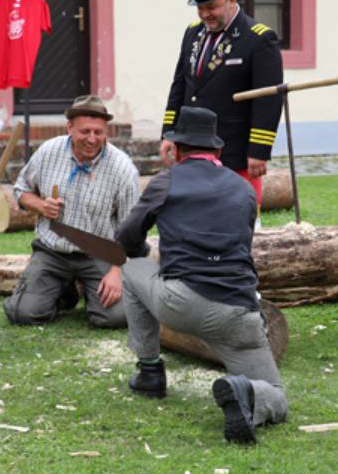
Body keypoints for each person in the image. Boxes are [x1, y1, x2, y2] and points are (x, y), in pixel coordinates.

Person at [117, 106, 287, 444]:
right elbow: (243, 245)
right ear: (218, 151)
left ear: (177, 150)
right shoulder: (243, 188)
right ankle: (251, 393)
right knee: (277, 396)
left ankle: (150, 371)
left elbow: (126, 237)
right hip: (240, 311)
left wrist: (146, 255)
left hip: (182, 303)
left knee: (132, 269)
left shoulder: (165, 181)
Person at [2, 94, 139, 329]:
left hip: (100, 253)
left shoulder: (122, 168)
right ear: (69, 128)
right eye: (85, 131)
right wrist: (41, 206)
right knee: (22, 314)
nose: (92, 139)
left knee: (117, 317)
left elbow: (130, 230)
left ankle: (89, 289)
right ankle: (64, 291)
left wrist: (117, 271)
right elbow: (21, 190)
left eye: (98, 132)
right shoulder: (49, 151)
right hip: (53, 251)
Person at [160, 0, 283, 207]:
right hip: (191, 148)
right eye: (200, 8)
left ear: (232, 0)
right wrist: (169, 132)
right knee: (194, 212)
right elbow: (180, 86)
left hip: (233, 150)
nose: (205, 14)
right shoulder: (193, 32)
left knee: (237, 213)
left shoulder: (258, 38)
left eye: (212, 7)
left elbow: (268, 100)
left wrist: (259, 150)